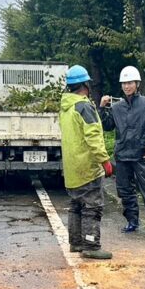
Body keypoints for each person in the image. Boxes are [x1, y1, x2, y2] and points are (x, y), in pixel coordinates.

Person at [99, 65, 145, 232]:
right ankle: (132, 221)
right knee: (125, 191)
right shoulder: (117, 107)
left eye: (130, 83)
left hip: (142, 155)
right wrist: (102, 108)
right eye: (124, 83)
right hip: (122, 155)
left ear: (137, 84)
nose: (127, 86)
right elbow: (106, 126)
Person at [60, 65, 114, 259]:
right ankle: (91, 246)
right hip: (86, 167)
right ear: (85, 84)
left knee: (76, 205)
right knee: (92, 207)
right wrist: (105, 160)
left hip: (72, 168)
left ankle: (76, 243)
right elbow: (93, 136)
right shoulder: (83, 106)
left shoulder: (66, 106)